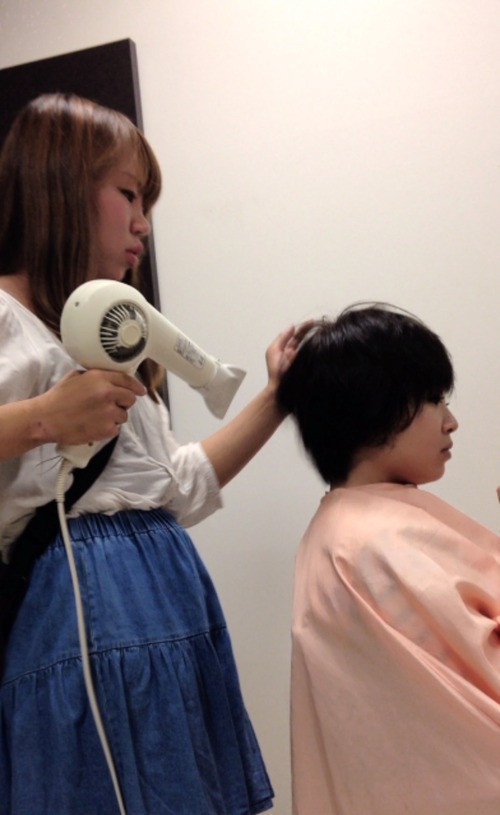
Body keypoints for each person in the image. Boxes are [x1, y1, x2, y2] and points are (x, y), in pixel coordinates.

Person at [0, 92, 302, 815]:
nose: (143, 223)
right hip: (80, 624)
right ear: (60, 187)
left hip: (167, 605)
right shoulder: (6, 320)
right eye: (129, 194)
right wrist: (43, 418)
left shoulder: (105, 337)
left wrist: (277, 396)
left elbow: (177, 487)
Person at [277, 304, 500, 815]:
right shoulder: (378, 545)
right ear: (373, 410)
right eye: (433, 400)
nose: (451, 421)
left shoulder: (342, 531)